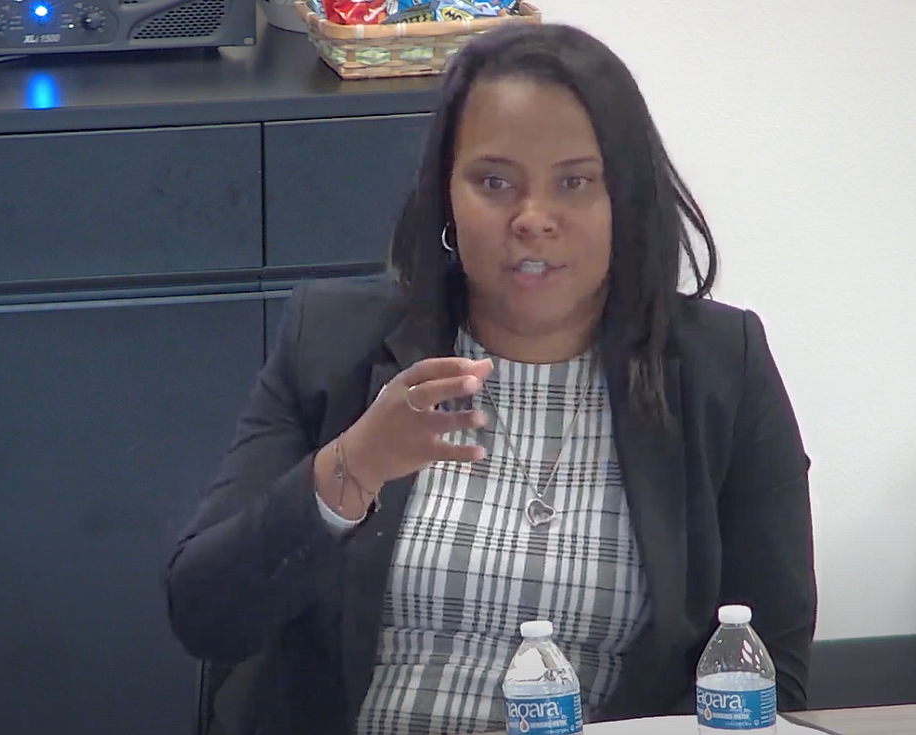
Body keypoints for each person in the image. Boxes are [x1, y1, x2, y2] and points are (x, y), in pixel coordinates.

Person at [165, 21, 817, 735]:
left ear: (624, 198)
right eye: (495, 182)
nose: (533, 219)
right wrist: (353, 467)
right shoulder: (333, 342)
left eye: (574, 181)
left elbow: (770, 673)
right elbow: (205, 615)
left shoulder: (722, 368)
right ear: (446, 194)